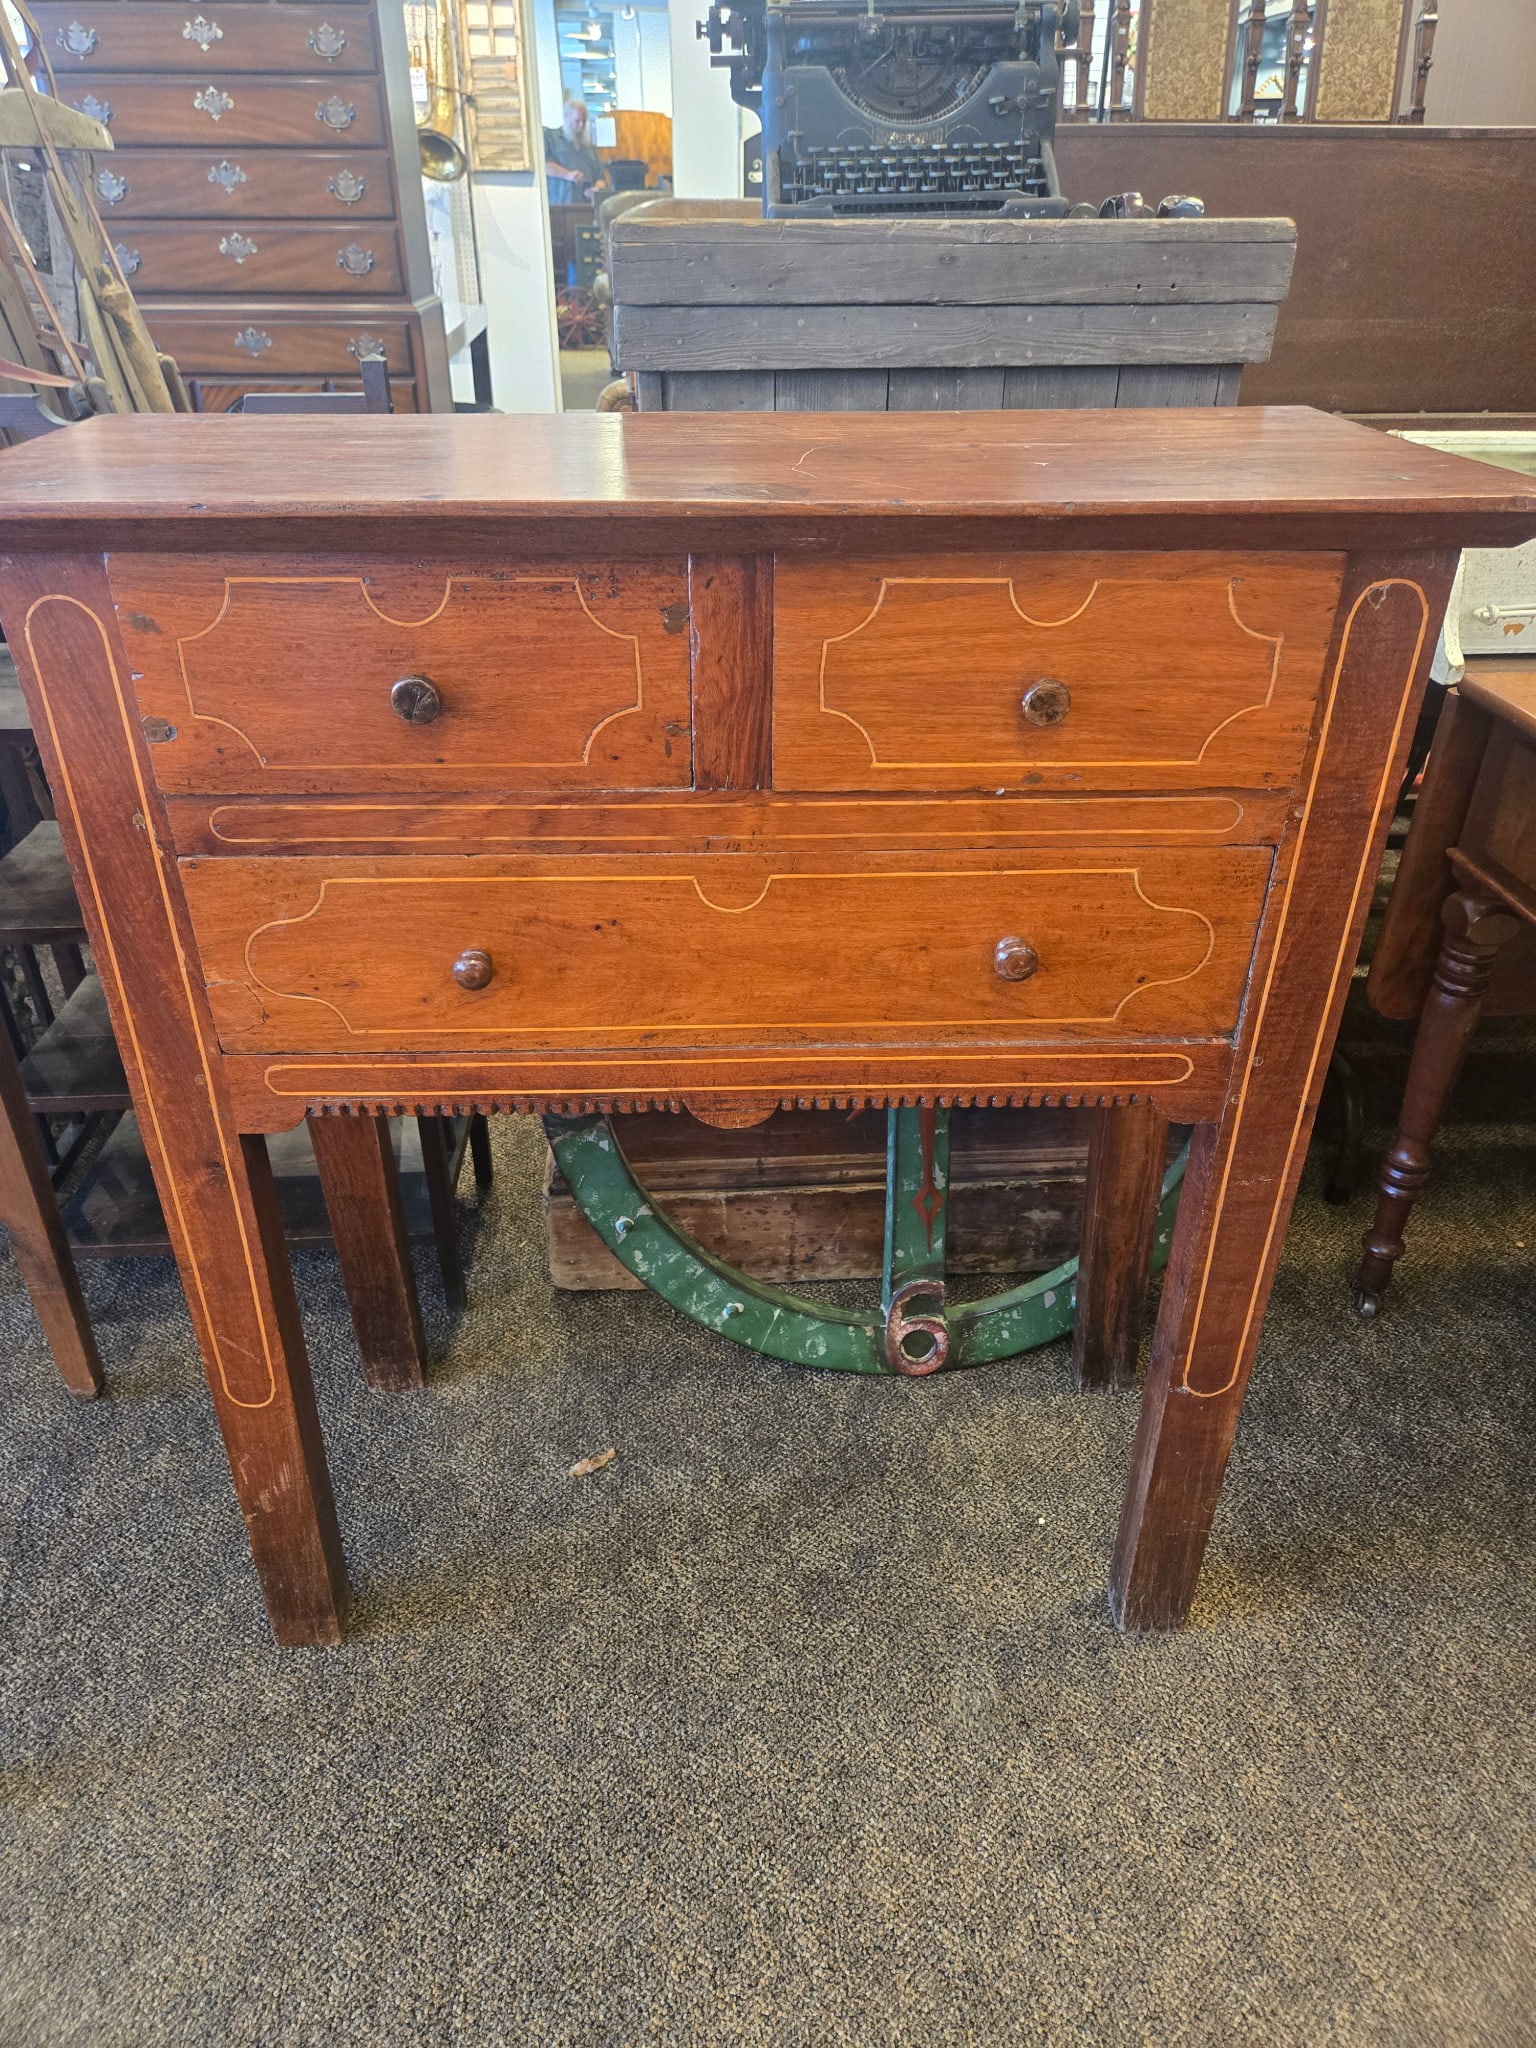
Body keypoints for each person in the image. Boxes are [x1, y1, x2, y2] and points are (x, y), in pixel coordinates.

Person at [544, 99, 606, 205]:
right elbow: (544, 166)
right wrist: (568, 175)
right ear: (566, 118)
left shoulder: (590, 147)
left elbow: (601, 177)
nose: (581, 125)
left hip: (586, 207)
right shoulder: (551, 138)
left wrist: (596, 190)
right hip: (559, 206)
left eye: (584, 121)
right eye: (577, 121)